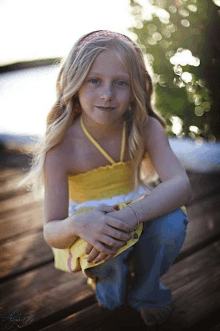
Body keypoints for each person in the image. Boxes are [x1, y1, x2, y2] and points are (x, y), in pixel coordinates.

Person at [19, 30, 192, 327]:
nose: (107, 95)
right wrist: (77, 224)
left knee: (173, 220)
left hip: (135, 211)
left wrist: (131, 215)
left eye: (121, 83)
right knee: (112, 297)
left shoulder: (146, 128)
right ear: (74, 83)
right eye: (94, 80)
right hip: (90, 228)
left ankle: (148, 290)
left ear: (136, 87)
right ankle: (110, 279)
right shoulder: (60, 148)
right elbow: (51, 230)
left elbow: (181, 186)